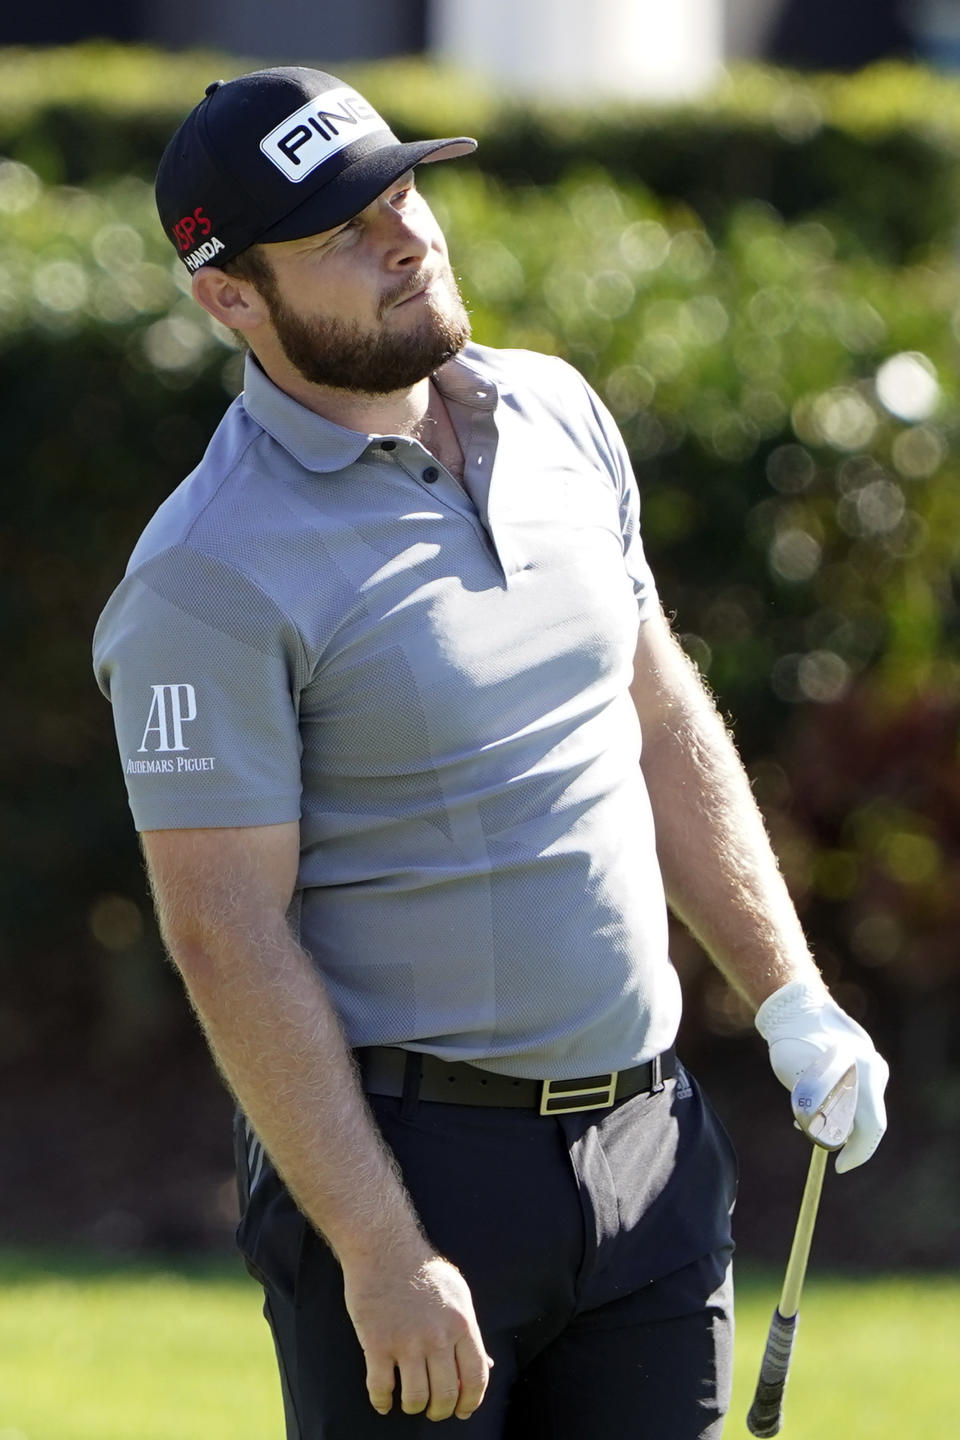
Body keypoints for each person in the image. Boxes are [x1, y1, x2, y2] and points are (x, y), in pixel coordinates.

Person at [93, 66, 888, 1439]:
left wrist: (790, 996)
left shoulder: (558, 414)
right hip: (411, 1173)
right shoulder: (206, 573)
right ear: (231, 295)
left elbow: (656, 715)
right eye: (343, 227)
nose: (405, 235)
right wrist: (384, 1251)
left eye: (402, 193)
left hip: (651, 1148)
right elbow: (223, 928)